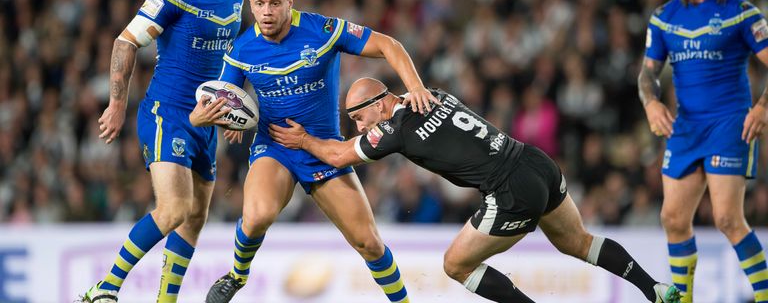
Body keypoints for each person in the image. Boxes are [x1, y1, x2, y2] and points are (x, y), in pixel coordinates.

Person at [268, 77, 682, 303]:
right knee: (578, 242)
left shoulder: (393, 129)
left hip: (509, 190)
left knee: (455, 265)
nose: (359, 128)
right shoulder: (433, 94)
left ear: (380, 103)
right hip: (535, 162)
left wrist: (303, 140)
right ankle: (656, 290)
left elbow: (339, 156)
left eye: (359, 118)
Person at [191, 0, 439, 303]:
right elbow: (223, 99)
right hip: (274, 146)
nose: (267, 11)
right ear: (250, 4)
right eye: (260, 3)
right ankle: (236, 275)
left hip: (324, 149)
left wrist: (417, 88)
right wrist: (214, 119)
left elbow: (389, 45)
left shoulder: (323, 30)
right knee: (258, 215)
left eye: (275, 3)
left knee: (370, 243)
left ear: (290, 2)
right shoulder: (241, 50)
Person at [81, 0, 243, 303]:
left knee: (196, 218)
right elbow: (125, 42)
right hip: (166, 113)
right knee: (173, 209)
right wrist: (118, 103)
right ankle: (106, 287)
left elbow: (233, 53)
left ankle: (165, 300)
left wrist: (233, 103)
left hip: (207, 120)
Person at [639, 0, 768, 303]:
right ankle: (685, 300)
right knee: (673, 219)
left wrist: (762, 107)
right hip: (686, 127)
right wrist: (651, 102)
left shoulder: (741, 12)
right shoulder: (664, 18)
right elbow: (647, 74)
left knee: (727, 219)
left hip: (729, 123)